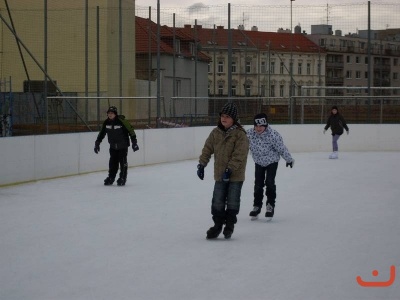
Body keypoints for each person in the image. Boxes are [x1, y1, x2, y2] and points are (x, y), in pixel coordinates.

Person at [197, 102, 249, 239]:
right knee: (217, 202)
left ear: (234, 119)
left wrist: (230, 169)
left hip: (235, 176)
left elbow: (240, 155)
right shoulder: (215, 133)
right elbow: (207, 148)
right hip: (220, 175)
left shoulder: (240, 135)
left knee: (233, 201)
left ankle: (230, 225)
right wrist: (202, 164)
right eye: (222, 116)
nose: (223, 119)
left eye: (227, 116)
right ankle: (218, 225)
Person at [247, 113, 294, 221]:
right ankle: (257, 206)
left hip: (272, 161)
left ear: (266, 125)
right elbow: (240, 142)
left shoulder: (273, 135)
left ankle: (270, 206)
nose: (258, 128)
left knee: (269, 182)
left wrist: (289, 159)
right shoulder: (249, 134)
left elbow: (281, 148)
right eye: (256, 126)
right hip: (258, 161)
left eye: (261, 126)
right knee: (258, 184)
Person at [94, 106, 139, 186]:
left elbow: (131, 130)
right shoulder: (106, 122)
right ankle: (111, 177)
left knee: (123, 163)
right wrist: (97, 143)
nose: (110, 115)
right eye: (108, 113)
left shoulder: (122, 121)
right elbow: (102, 133)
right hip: (113, 146)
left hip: (123, 145)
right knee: (112, 163)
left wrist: (134, 142)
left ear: (115, 114)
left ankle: (122, 178)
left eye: (112, 113)